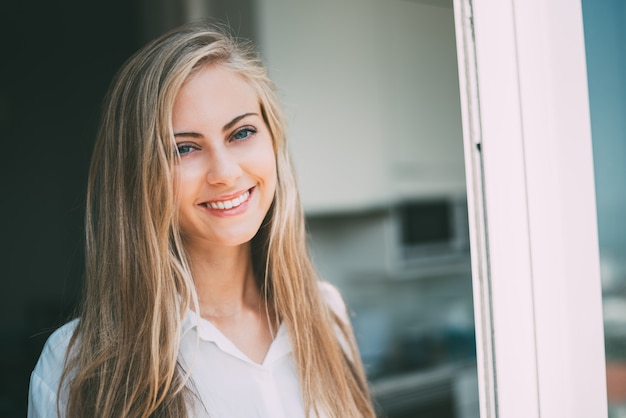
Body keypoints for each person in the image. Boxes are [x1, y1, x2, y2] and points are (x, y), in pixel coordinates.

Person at [27, 21, 375, 418]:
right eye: (185, 148)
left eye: (241, 133)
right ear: (137, 175)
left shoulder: (326, 314)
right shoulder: (72, 366)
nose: (225, 172)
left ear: (273, 140)